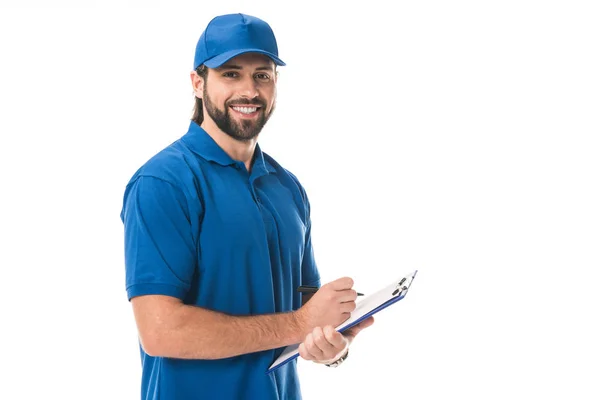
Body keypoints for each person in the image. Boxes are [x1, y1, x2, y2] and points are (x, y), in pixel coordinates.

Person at [120, 13, 374, 400]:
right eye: (231, 74)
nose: (250, 91)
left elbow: (306, 310)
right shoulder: (164, 183)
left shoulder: (288, 188)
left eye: (262, 75)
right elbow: (160, 332)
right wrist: (301, 323)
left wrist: (332, 341)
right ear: (198, 83)